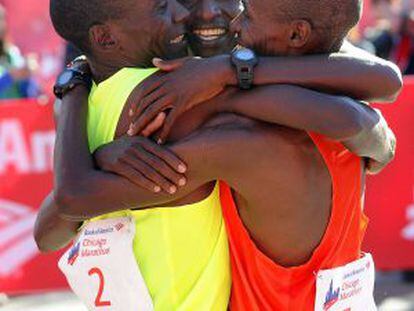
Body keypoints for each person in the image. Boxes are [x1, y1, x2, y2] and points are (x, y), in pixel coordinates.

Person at [35, 0, 399, 309]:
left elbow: (377, 91)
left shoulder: (228, 96)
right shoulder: (173, 98)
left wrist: (226, 72)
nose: (208, 12)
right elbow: (61, 215)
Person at [0, 4, 39, 99]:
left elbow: (28, 91)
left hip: (16, 111)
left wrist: (28, 73)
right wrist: (9, 77)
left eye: (2, 19)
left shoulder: (11, 52)